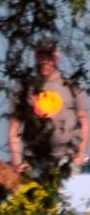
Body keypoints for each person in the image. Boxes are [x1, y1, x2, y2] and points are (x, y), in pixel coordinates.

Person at [9, 43, 89, 174]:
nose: (44, 60)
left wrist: (80, 155)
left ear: (56, 58)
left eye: (48, 56)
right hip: (33, 159)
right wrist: (17, 160)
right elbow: (14, 127)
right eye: (40, 56)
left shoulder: (71, 87)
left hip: (66, 158)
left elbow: (84, 122)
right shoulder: (25, 89)